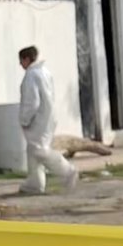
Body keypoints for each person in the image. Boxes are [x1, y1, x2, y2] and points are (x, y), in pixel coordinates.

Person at [17, 46, 79, 194]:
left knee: (39, 150)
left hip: (38, 118)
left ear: (26, 59)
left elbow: (32, 101)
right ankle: (35, 183)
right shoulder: (45, 72)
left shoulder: (31, 75)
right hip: (48, 116)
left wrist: (24, 119)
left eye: (21, 61)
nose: (20, 65)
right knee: (33, 150)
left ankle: (68, 171)